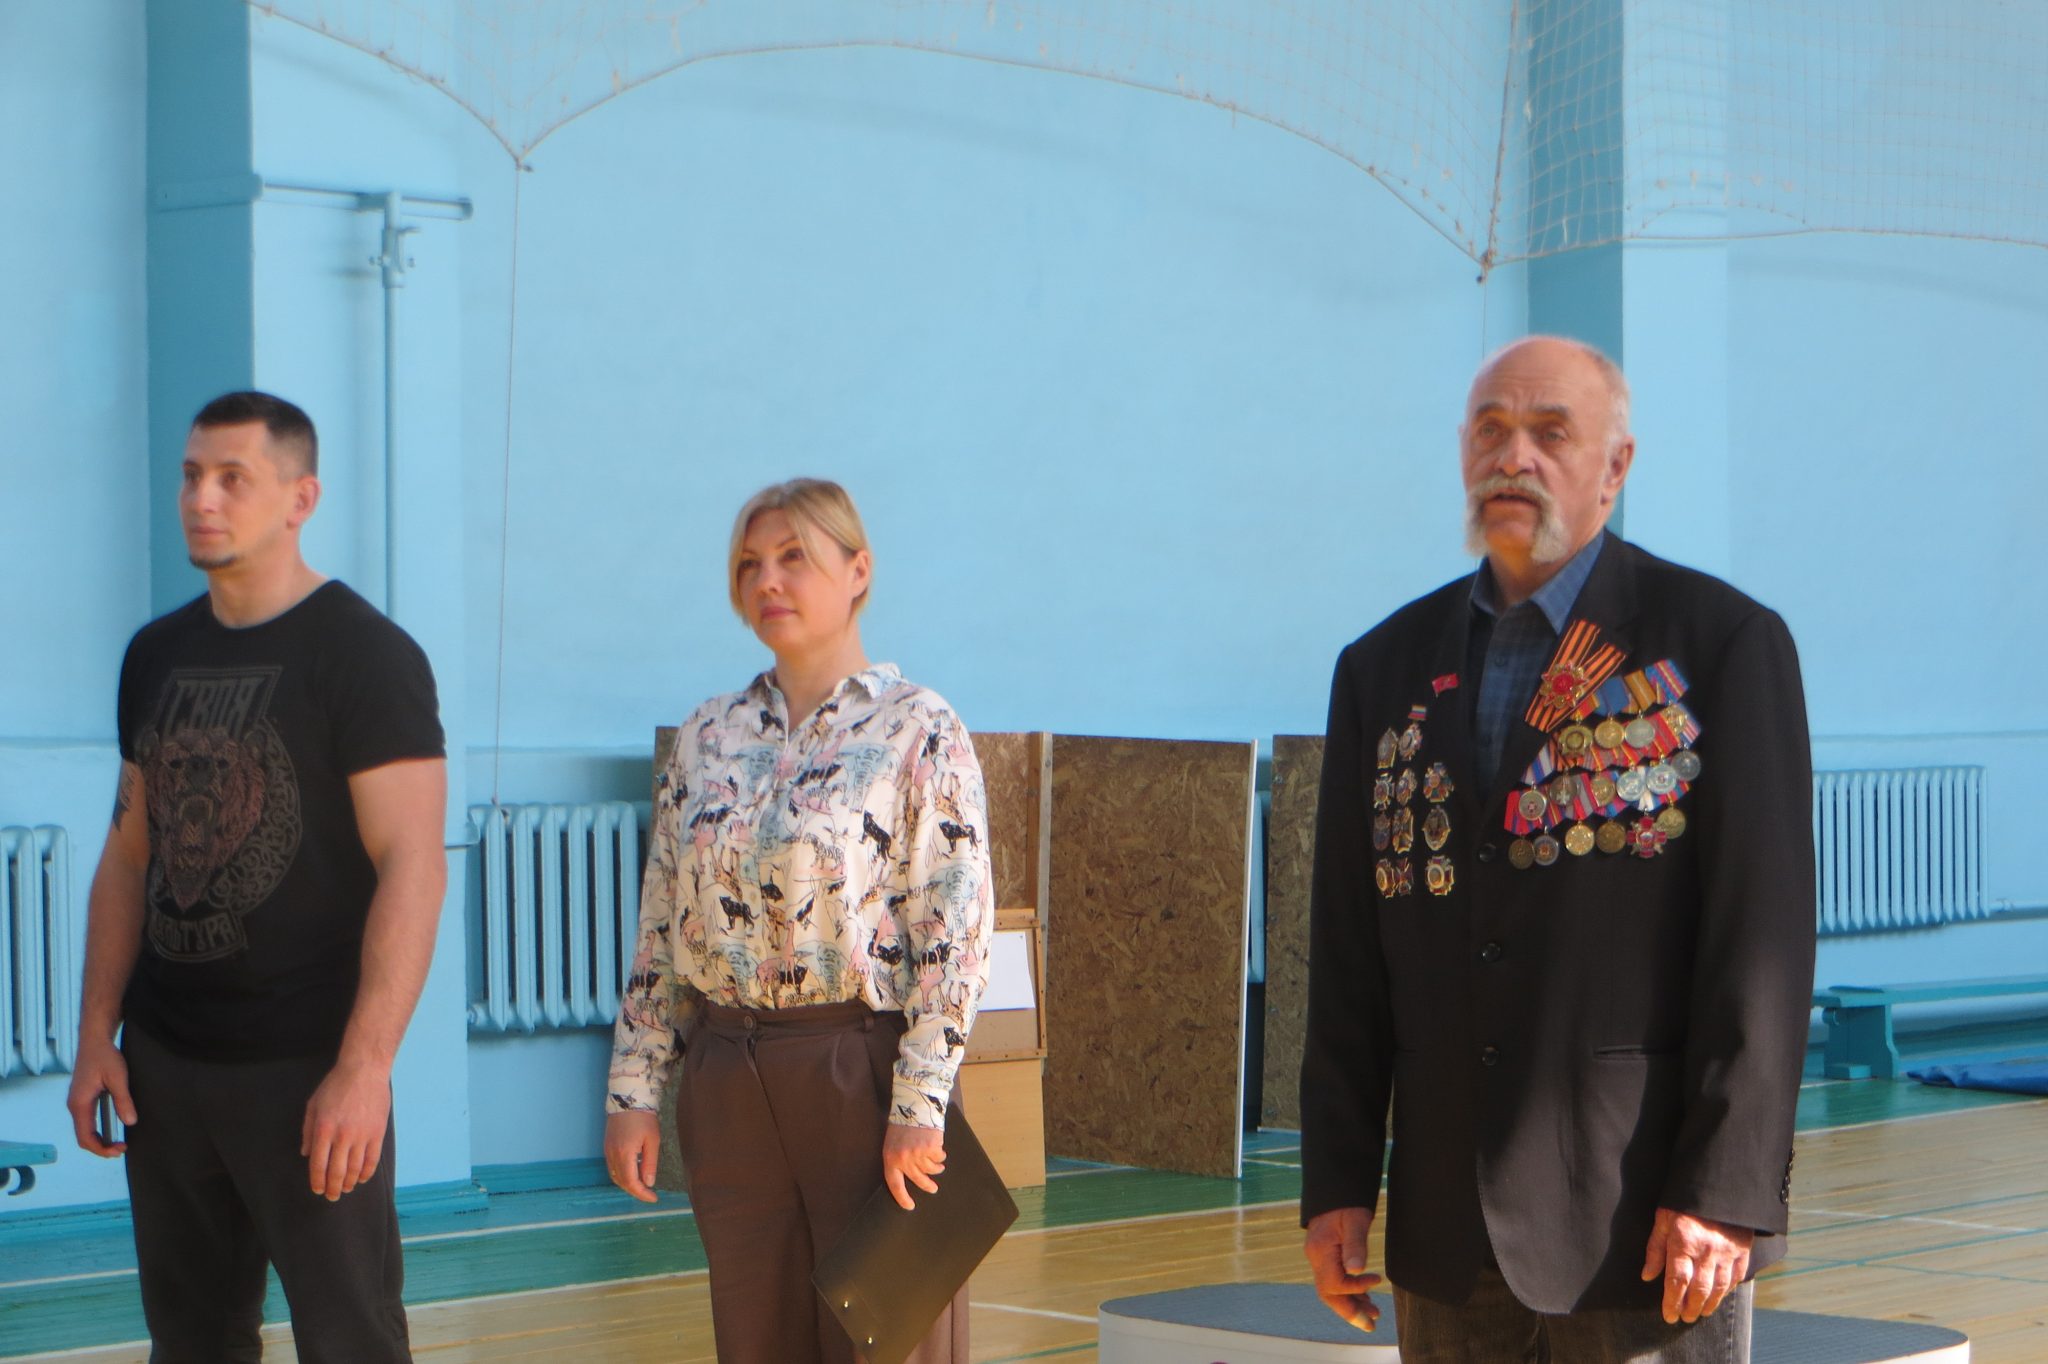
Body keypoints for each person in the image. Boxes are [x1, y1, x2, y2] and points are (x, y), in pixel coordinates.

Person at [1299, 337, 1815, 1362]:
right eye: (1491, 429)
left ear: (1614, 466)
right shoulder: (1382, 667)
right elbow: (1349, 954)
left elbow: (1759, 945)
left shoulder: (1717, 644)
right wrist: (1338, 1183)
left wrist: (1723, 1188)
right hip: (1447, 1228)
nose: (1514, 456)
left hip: (1641, 1224)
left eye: (1549, 432)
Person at [63, 392, 448, 1362]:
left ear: (300, 499)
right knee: (191, 1341)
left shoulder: (367, 655)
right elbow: (130, 853)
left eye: (233, 478)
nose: (203, 498)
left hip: (306, 1069)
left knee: (351, 1338)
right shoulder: (155, 653)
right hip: (166, 1066)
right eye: (193, 475)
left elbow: (413, 866)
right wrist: (97, 1033)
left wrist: (364, 1068)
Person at [604, 477, 994, 1364]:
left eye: (793, 558)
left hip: (860, 1071)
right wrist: (634, 1091)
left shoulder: (918, 728)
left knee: (885, 1343)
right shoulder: (707, 736)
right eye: (750, 564)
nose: (767, 581)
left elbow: (956, 932)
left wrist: (921, 1103)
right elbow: (661, 923)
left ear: (859, 571)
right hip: (727, 1079)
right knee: (754, 1341)